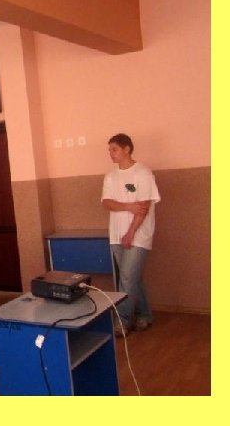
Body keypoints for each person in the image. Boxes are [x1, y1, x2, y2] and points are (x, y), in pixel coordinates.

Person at [101, 133, 160, 336]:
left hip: (138, 234)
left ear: (127, 149)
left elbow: (143, 207)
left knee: (126, 277)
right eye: (109, 150)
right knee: (132, 277)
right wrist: (128, 206)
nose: (111, 153)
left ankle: (122, 322)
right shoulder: (110, 176)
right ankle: (144, 315)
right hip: (116, 234)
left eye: (114, 149)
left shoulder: (143, 173)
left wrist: (130, 233)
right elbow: (106, 202)